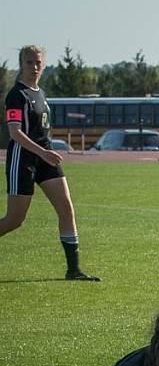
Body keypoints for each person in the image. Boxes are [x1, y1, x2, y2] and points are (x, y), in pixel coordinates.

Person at [1, 45, 100, 281]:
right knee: (15, 220)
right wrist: (42, 152)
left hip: (46, 158)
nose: (34, 67)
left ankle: (73, 270)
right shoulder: (17, 95)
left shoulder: (41, 93)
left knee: (66, 209)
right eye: (29, 62)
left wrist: (47, 152)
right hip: (23, 159)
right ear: (21, 64)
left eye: (38, 62)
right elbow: (15, 133)